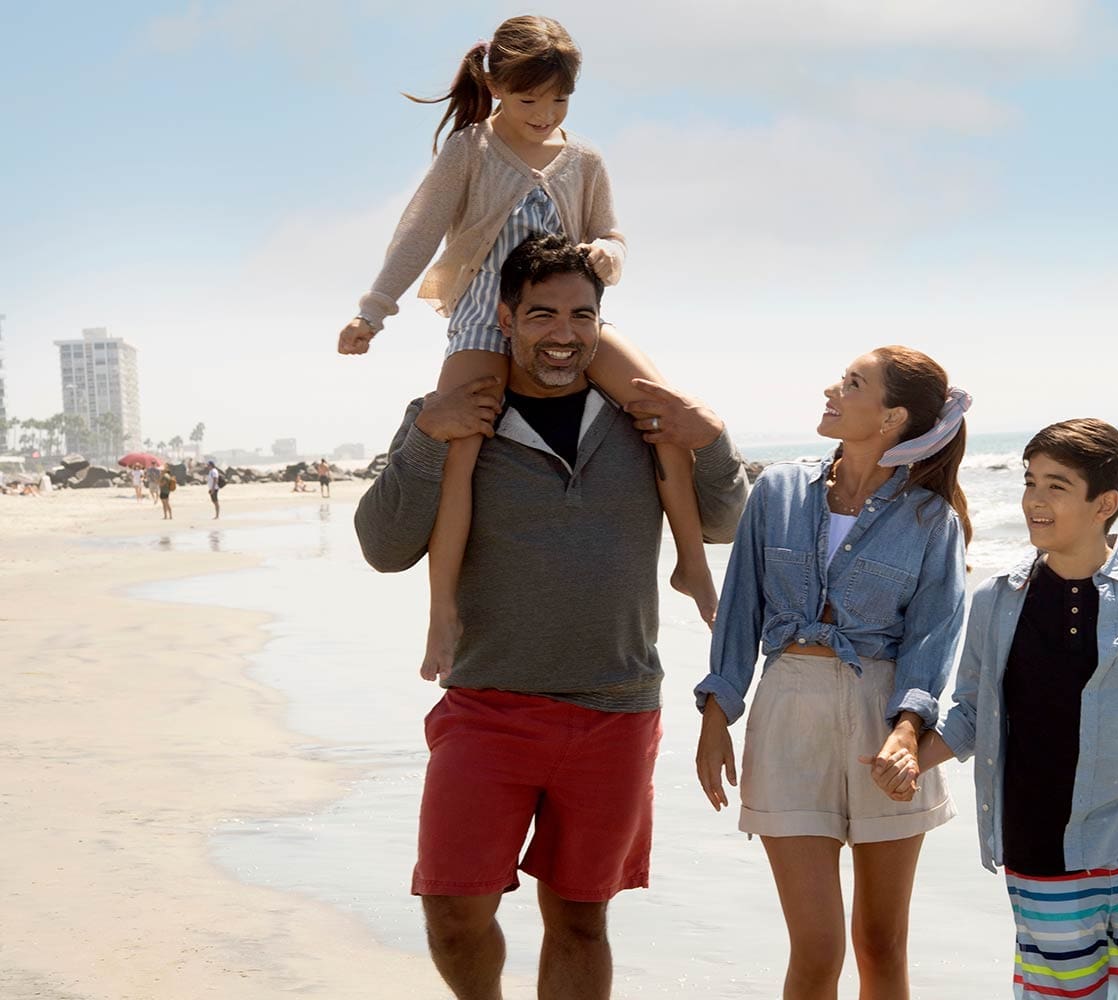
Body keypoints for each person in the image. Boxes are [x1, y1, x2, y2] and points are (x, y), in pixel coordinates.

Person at [353, 234, 748, 1000]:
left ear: (601, 322)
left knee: (580, 920)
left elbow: (723, 517)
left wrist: (712, 437)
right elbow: (382, 545)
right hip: (487, 705)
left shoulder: (638, 417)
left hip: (615, 710)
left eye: (581, 315)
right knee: (451, 909)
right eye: (541, 315)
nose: (563, 334)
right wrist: (426, 437)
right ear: (505, 317)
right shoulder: (457, 413)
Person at [336, 14, 719, 687]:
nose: (544, 115)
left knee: (661, 407)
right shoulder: (470, 151)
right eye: (527, 100)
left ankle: (692, 563)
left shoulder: (586, 161)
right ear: (494, 85)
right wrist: (373, 313)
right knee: (462, 447)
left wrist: (608, 254)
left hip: (569, 322)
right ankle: (442, 614)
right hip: (486, 324)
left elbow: (613, 237)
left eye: (559, 101)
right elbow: (418, 234)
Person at [881, 419, 1118, 1000]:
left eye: (1056, 486)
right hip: (1039, 849)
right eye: (1030, 482)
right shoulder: (997, 600)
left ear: (1106, 503)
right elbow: (972, 715)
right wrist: (912, 762)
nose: (1034, 500)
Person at [694, 346, 972, 1000]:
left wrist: (907, 731)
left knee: (881, 943)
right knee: (817, 947)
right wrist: (716, 716)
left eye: (852, 383)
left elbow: (935, 634)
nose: (831, 390)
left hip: (881, 724)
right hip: (787, 713)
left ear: (892, 416)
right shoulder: (777, 491)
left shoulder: (933, 519)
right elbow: (738, 612)